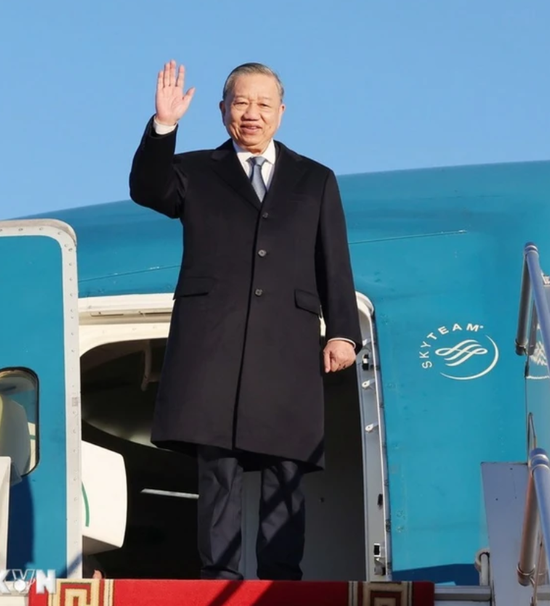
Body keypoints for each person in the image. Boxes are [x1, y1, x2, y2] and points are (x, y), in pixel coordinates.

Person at [128, 60, 362, 581]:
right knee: (219, 463)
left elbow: (333, 259)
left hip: (287, 341)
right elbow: (148, 189)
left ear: (281, 111)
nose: (251, 114)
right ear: (222, 110)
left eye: (262, 104)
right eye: (240, 103)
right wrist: (163, 125)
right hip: (213, 339)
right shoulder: (193, 170)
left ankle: (281, 577)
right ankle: (220, 576)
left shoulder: (315, 178)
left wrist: (343, 330)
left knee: (287, 463)